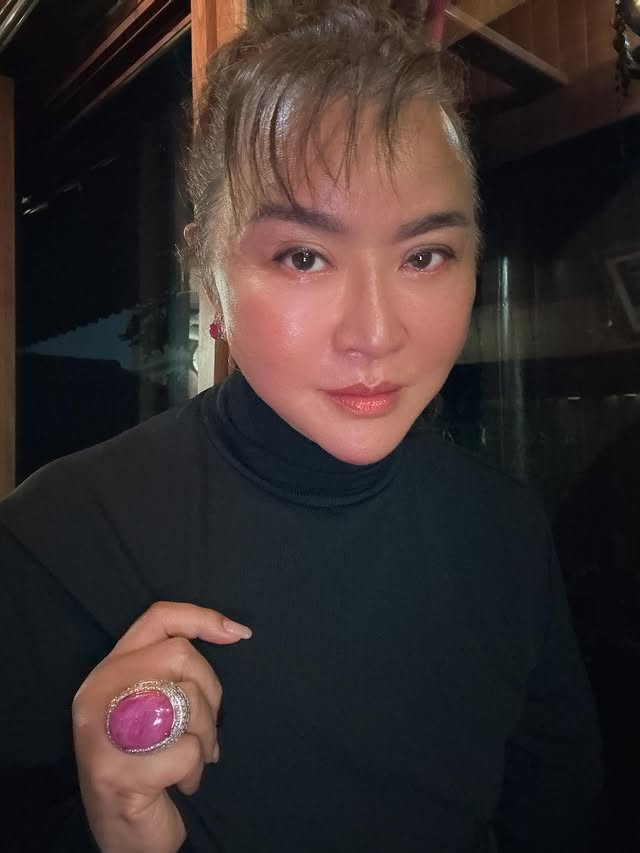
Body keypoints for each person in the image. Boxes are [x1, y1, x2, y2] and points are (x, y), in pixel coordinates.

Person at [0, 2, 602, 851]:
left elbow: (561, 816)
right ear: (208, 277)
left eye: (424, 255)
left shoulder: (506, 529)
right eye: (304, 257)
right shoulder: (54, 540)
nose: (375, 333)